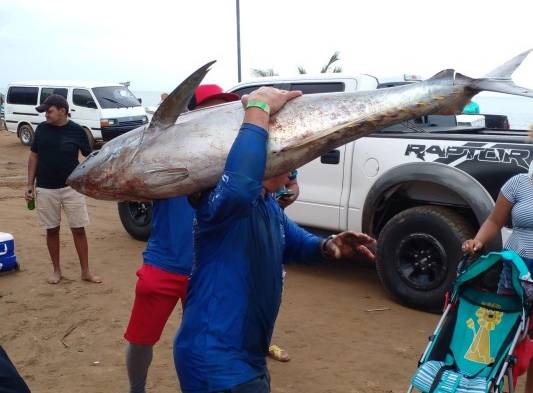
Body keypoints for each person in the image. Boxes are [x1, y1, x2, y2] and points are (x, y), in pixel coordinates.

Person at [174, 87, 376, 393]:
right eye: (290, 164)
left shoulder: (268, 206)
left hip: (248, 357)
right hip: (214, 361)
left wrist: (328, 245)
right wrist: (258, 108)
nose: (294, 173)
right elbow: (240, 185)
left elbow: (296, 243)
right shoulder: (220, 204)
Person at [124, 85, 239, 393]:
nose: (220, 114)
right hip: (164, 263)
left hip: (207, 269)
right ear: (191, 113)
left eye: (225, 108)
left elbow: (277, 186)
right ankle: (137, 389)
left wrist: (286, 189)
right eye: (211, 107)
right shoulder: (165, 150)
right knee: (140, 339)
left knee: (200, 342)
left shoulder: (237, 152)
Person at [462, 164, 533, 392]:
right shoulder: (518, 183)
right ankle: (496, 387)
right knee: (504, 338)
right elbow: (494, 221)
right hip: (516, 271)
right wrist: (478, 242)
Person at [25, 95, 100, 284]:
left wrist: (88, 181)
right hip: (45, 188)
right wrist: (29, 185)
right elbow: (34, 157)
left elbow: (90, 158)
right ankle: (56, 270)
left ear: (63, 111)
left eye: (48, 111)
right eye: (44, 112)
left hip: (71, 188)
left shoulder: (77, 131)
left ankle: (86, 272)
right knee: (52, 230)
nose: (45, 116)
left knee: (79, 229)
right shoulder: (41, 130)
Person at [269, 169, 300, 363]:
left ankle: (264, 341)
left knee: (273, 293)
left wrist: (289, 197)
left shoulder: (289, 158)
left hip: (273, 229)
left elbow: (293, 185)